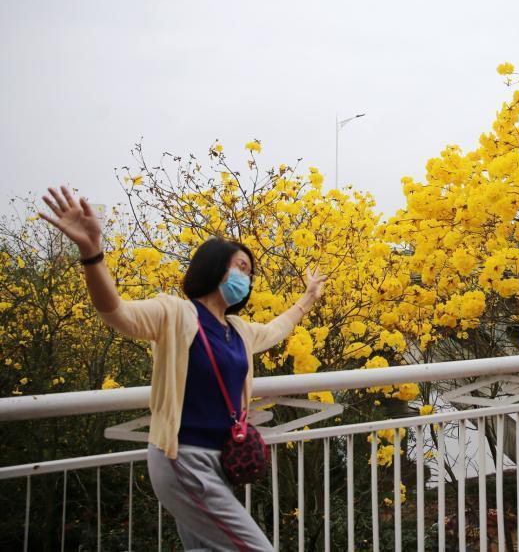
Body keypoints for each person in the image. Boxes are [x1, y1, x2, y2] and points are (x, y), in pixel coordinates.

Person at [39, 185, 327, 551]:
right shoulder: (175, 313)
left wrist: (307, 298)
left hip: (220, 461)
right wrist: (92, 253)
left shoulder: (237, 330)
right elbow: (117, 312)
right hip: (183, 459)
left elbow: (276, 329)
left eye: (250, 272)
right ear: (212, 267)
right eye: (240, 266)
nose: (247, 277)